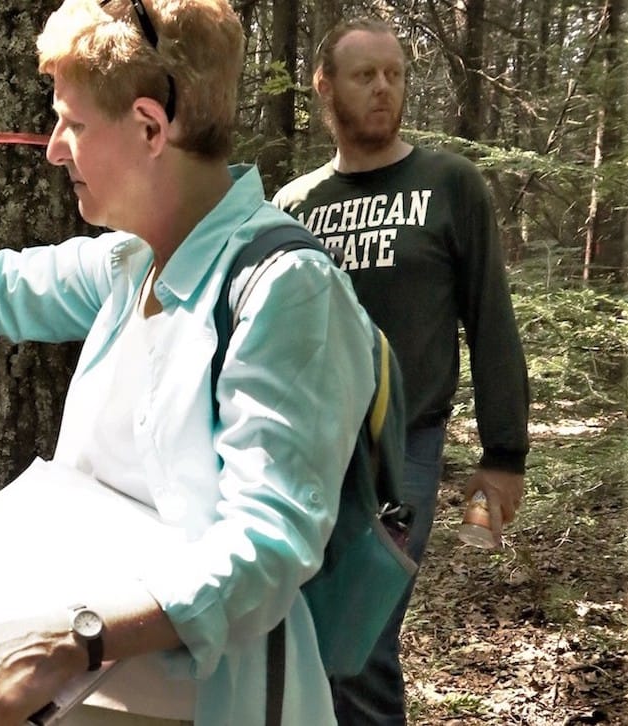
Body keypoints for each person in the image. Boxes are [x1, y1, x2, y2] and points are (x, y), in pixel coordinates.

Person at [0, 2, 380, 724]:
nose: (52, 148)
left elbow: (267, 545)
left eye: (72, 123)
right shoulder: (132, 259)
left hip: (207, 703)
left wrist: (69, 637)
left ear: (149, 126)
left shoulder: (284, 289)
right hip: (91, 692)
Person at [271, 18, 530, 726]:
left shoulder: (448, 185)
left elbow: (490, 321)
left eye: (394, 74)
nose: (383, 89)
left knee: (358, 637)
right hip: (305, 447)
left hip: (400, 452)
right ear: (325, 86)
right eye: (364, 75)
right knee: (296, 633)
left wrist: (503, 452)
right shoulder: (294, 205)